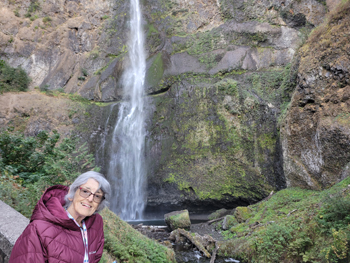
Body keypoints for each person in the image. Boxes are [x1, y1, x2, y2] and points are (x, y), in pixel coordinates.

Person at [9, 171, 111, 263]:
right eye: (85, 191)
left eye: (97, 196)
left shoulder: (95, 225)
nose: (90, 199)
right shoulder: (38, 229)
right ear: (72, 193)